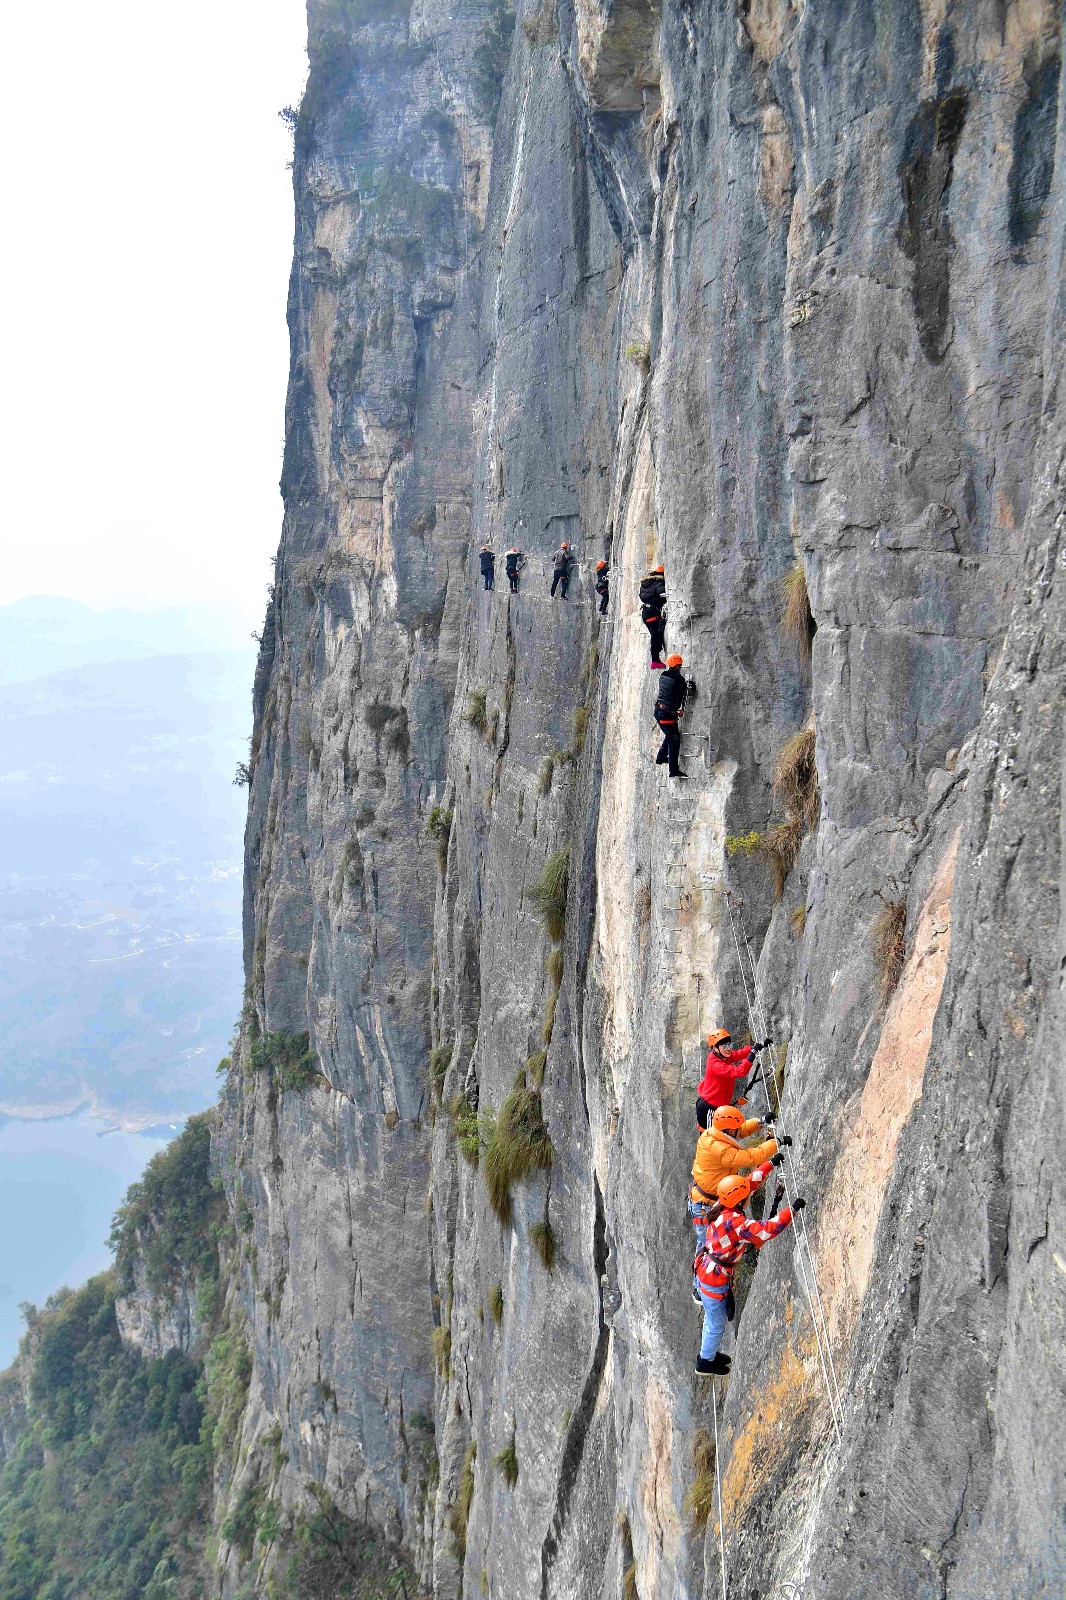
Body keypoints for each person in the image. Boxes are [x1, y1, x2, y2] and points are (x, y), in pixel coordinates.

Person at [693, 1167, 803, 1376]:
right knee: (716, 1325)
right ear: (738, 1201)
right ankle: (705, 1362)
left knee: (711, 1318)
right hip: (714, 1281)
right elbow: (767, 1229)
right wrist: (793, 1210)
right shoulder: (736, 1223)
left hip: (706, 1271)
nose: (748, 1197)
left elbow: (745, 1184)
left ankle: (709, 1353)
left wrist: (771, 1163)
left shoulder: (721, 1205)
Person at [688, 1104, 783, 1243]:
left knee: (707, 1246)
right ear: (728, 1129)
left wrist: (760, 1122)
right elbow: (751, 1157)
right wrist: (777, 1143)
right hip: (706, 1205)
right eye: (735, 1127)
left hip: (705, 1200)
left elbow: (737, 1131)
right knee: (707, 1247)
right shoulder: (720, 1150)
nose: (739, 1129)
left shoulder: (714, 1134)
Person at [695, 1029, 772, 1129]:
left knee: (721, 1135)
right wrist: (753, 1052)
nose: (728, 1049)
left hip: (717, 1107)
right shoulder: (715, 1064)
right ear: (715, 1048)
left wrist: (759, 1046)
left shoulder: (721, 1056)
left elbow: (737, 1054)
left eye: (729, 1045)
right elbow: (740, 1071)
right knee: (712, 1137)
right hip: (709, 1109)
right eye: (724, 1046)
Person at [654, 654, 688, 778]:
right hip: (667, 715)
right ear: (677, 666)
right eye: (680, 665)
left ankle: (661, 757)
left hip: (658, 712)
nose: (681, 667)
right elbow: (686, 690)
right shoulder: (679, 680)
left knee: (670, 734)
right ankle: (673, 770)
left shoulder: (663, 676)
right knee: (674, 739)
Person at [638, 565, 667, 667]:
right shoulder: (658, 584)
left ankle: (656, 658)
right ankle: (655, 660)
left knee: (655, 635)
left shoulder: (645, 584)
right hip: (652, 613)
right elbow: (662, 593)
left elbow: (642, 596)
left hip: (646, 612)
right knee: (655, 636)